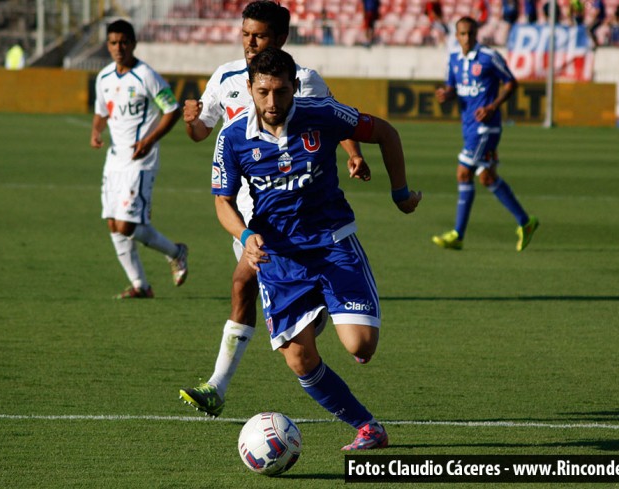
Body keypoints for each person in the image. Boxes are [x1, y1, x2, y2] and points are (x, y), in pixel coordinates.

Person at [212, 47, 421, 450]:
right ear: (250, 89)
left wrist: (399, 193)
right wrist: (244, 236)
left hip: (332, 243)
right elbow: (223, 201)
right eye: (263, 92)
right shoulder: (233, 138)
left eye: (281, 92)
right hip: (279, 257)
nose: (273, 102)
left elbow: (385, 133)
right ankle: (368, 427)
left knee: (361, 347)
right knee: (299, 359)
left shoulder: (322, 113)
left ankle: (322, 309)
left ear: (294, 87)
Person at [180, 0, 370, 417]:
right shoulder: (226, 77)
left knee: (242, 285)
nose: (250, 42)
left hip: (291, 218)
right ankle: (317, 319)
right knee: (250, 290)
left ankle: (217, 385)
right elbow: (201, 132)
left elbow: (335, 121)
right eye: (245, 33)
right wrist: (190, 119)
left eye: (260, 35)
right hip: (245, 214)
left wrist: (354, 154)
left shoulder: (303, 80)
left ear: (280, 38)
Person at [90, 19, 188, 299]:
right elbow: (101, 112)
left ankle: (176, 252)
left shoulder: (146, 75)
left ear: (133, 44)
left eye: (123, 42)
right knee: (112, 223)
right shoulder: (105, 77)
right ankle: (140, 286)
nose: (118, 47)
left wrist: (149, 140)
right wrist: (96, 131)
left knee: (126, 225)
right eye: (113, 42)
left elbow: (172, 110)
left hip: (140, 160)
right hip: (114, 159)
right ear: (107, 46)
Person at [433, 17, 538, 251]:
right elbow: (453, 87)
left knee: (463, 173)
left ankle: (458, 234)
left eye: (471, 33)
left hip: (486, 128)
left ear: (476, 33)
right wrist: (447, 94)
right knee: (487, 177)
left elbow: (511, 83)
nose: (467, 38)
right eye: (462, 34)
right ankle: (525, 222)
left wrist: (493, 106)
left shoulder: (489, 57)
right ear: (456, 35)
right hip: (468, 126)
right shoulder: (453, 59)